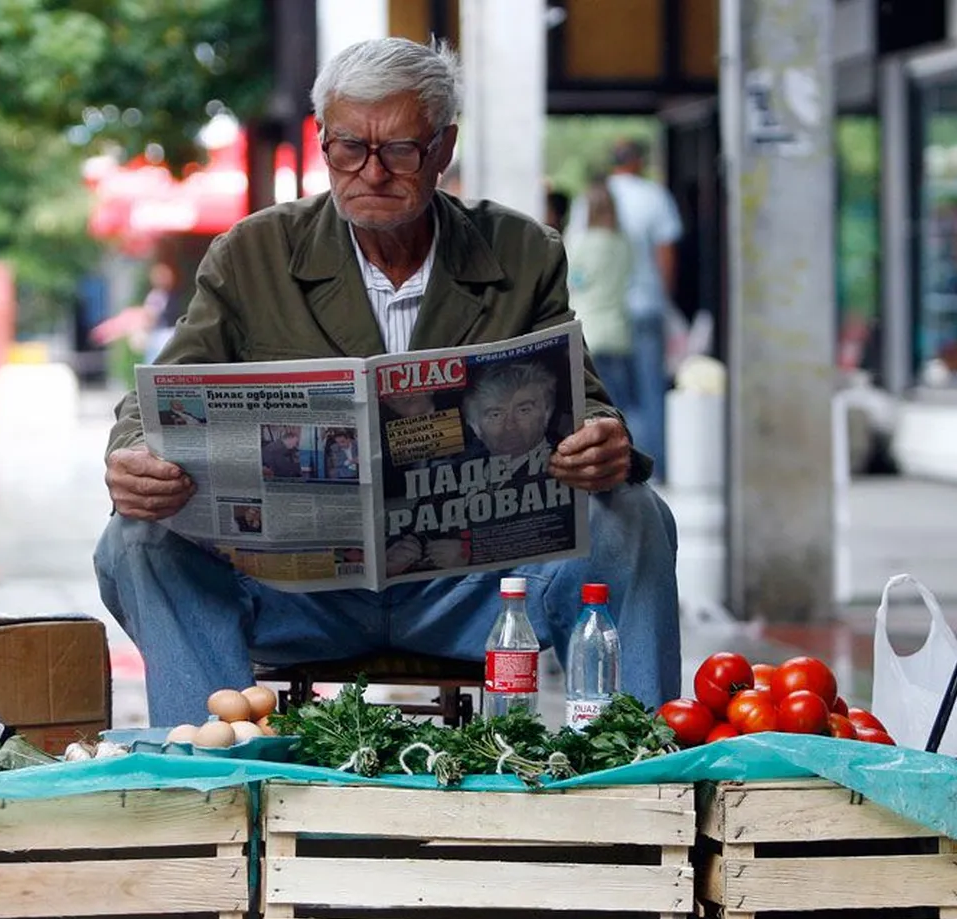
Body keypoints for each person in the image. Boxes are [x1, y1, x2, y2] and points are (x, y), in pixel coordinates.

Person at [95, 37, 680, 726]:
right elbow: (161, 395)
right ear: (321, 143)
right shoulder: (253, 254)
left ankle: (642, 763)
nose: (371, 172)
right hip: (304, 597)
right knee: (138, 538)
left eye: (400, 149)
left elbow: (588, 408)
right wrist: (134, 453)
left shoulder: (521, 253)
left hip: (475, 593)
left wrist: (605, 444)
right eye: (349, 147)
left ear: (443, 148)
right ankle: (217, 764)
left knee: (634, 513)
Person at [568, 139, 682, 480]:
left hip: (602, 319)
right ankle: (655, 466)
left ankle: (622, 466)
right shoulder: (654, 196)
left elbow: (574, 264)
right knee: (649, 393)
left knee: (611, 397)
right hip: (645, 306)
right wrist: (666, 300)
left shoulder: (588, 199)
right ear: (638, 162)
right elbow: (665, 256)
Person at [566, 179, 634, 418]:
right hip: (618, 331)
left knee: (598, 412)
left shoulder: (579, 243)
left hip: (589, 333)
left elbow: (572, 282)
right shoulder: (623, 243)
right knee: (624, 408)